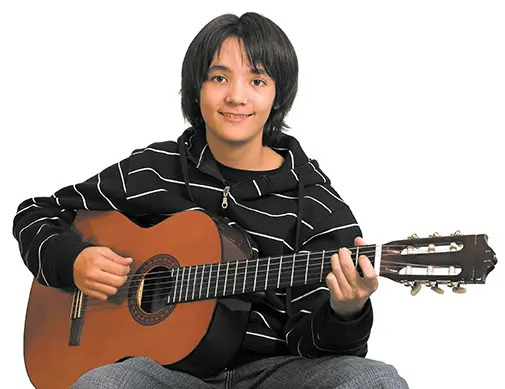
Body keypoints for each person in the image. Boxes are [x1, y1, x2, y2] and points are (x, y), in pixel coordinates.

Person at [13, 12, 409, 389]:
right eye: (219, 77)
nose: (237, 96)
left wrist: (347, 311)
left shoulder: (317, 205)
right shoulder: (153, 169)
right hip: (165, 374)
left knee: (374, 380)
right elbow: (37, 213)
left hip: (275, 373)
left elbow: (325, 351)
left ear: (278, 95)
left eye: (257, 81)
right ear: (196, 88)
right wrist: (74, 261)